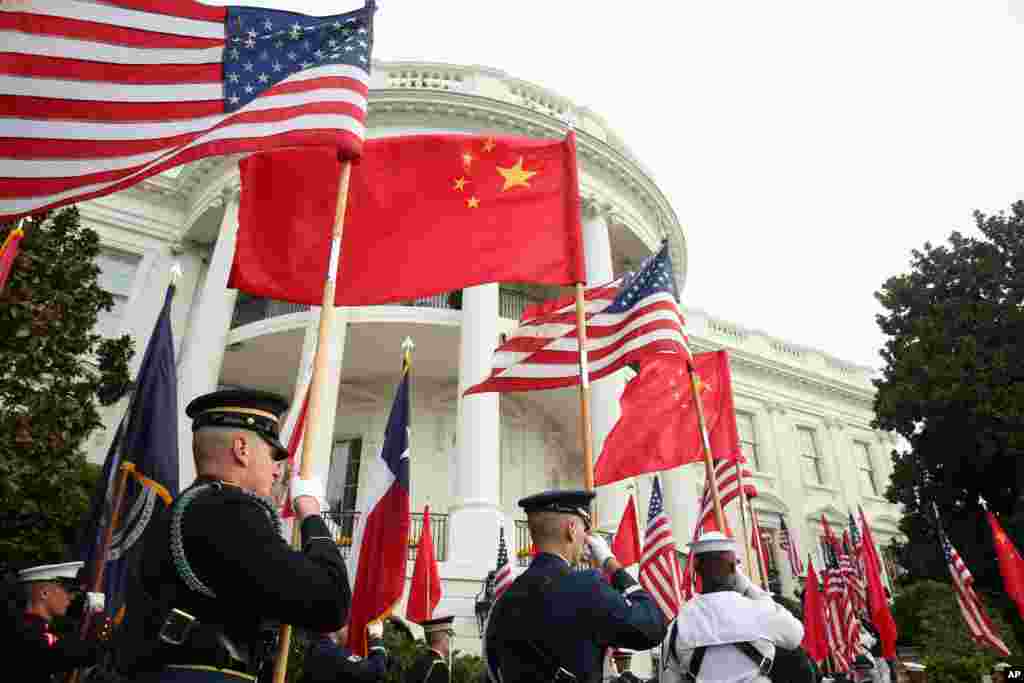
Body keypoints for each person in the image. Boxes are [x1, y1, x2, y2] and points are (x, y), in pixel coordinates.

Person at [116, 389, 352, 682]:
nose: (277, 472)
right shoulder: (227, 510)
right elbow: (329, 603)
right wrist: (312, 515)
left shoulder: (190, 507)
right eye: (272, 455)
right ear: (241, 449)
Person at [484, 489, 668, 683]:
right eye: (585, 529)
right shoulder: (587, 587)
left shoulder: (502, 602)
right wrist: (611, 564)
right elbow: (652, 627)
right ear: (571, 530)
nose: (586, 538)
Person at [661, 531, 804, 683]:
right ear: (734, 569)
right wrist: (750, 588)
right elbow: (795, 635)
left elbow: (669, 678)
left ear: (696, 568)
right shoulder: (759, 609)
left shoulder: (678, 624)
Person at [13, 561, 111, 683]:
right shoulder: (30, 635)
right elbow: (89, 654)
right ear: (44, 593)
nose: (70, 597)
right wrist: (98, 617)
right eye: (67, 590)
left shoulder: (29, 627)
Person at [300, 622, 388, 683]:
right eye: (348, 624)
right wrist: (376, 637)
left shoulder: (319, 648)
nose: (349, 629)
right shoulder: (328, 652)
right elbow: (376, 670)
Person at [407, 616, 454, 683]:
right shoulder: (439, 667)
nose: (450, 639)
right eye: (450, 634)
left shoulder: (417, 663)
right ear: (445, 637)